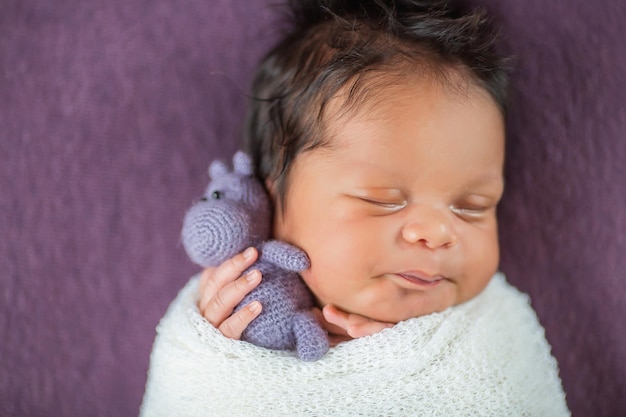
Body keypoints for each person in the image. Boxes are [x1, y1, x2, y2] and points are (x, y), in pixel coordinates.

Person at [141, 0, 570, 415]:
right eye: (382, 200)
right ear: (271, 203)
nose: (438, 232)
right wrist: (216, 360)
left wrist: (410, 373)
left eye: (473, 207)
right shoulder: (228, 320)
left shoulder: (489, 337)